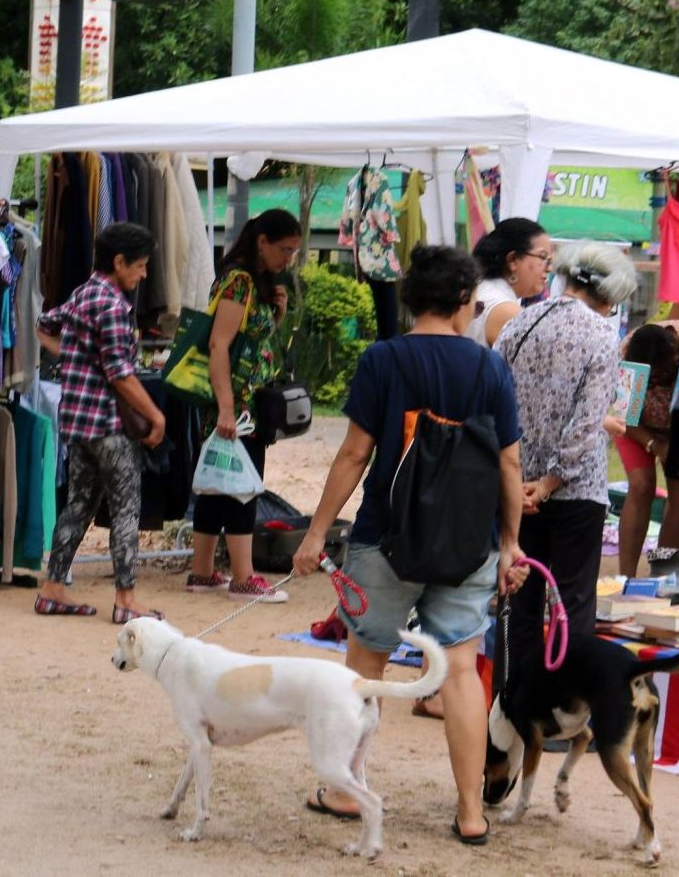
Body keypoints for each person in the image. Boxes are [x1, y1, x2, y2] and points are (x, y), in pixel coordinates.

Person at [291, 245, 528, 845]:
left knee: (366, 666)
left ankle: (347, 792)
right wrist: (509, 544)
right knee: (459, 673)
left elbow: (353, 453)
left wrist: (317, 531)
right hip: (468, 545)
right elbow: (508, 463)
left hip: (384, 540)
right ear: (459, 301)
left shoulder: (383, 360)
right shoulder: (489, 367)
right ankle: (472, 812)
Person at [492, 242, 638, 668]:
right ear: (610, 296)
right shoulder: (601, 337)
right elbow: (586, 423)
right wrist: (552, 481)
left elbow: (495, 402)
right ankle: (565, 709)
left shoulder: (519, 324)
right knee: (573, 604)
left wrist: (522, 483)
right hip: (575, 491)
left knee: (518, 597)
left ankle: (514, 703)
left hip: (516, 482)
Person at [34, 222, 167, 622]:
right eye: (140, 266)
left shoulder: (83, 295)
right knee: (126, 509)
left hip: (76, 423)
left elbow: (44, 325)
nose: (143, 275)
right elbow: (121, 374)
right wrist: (155, 416)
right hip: (109, 427)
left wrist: (74, 357)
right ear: (119, 261)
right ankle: (126, 601)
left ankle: (53, 589)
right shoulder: (112, 306)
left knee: (77, 506)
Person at [187, 209, 301, 602]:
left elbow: (251, 341)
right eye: (284, 249)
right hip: (238, 404)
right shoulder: (240, 282)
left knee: (217, 484)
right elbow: (219, 344)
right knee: (241, 486)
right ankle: (242, 577)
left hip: (236, 402)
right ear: (262, 241)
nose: (287, 259)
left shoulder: (249, 282)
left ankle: (202, 572)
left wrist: (277, 313)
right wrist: (227, 408)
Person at [613, 321, 679, 579]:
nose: (662, 381)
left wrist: (674, 446)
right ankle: (626, 577)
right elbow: (625, 418)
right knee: (641, 485)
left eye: (667, 374)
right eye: (656, 378)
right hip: (635, 425)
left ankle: (662, 575)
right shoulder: (630, 358)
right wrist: (654, 444)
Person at [464, 218, 552, 346]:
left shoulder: (479, 288)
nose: (549, 268)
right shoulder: (506, 311)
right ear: (513, 260)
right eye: (543, 257)